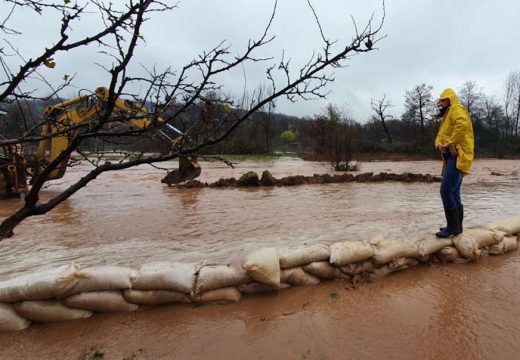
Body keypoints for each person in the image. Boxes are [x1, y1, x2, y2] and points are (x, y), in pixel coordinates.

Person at [434, 88, 474, 238]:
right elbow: (439, 136)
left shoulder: (456, 109)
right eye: (441, 101)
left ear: (450, 100)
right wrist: (439, 145)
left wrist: (449, 142)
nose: (441, 103)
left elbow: (462, 126)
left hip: (459, 155)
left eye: (444, 100)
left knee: (445, 191)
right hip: (451, 156)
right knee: (454, 191)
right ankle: (457, 226)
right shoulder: (447, 116)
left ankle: (452, 227)